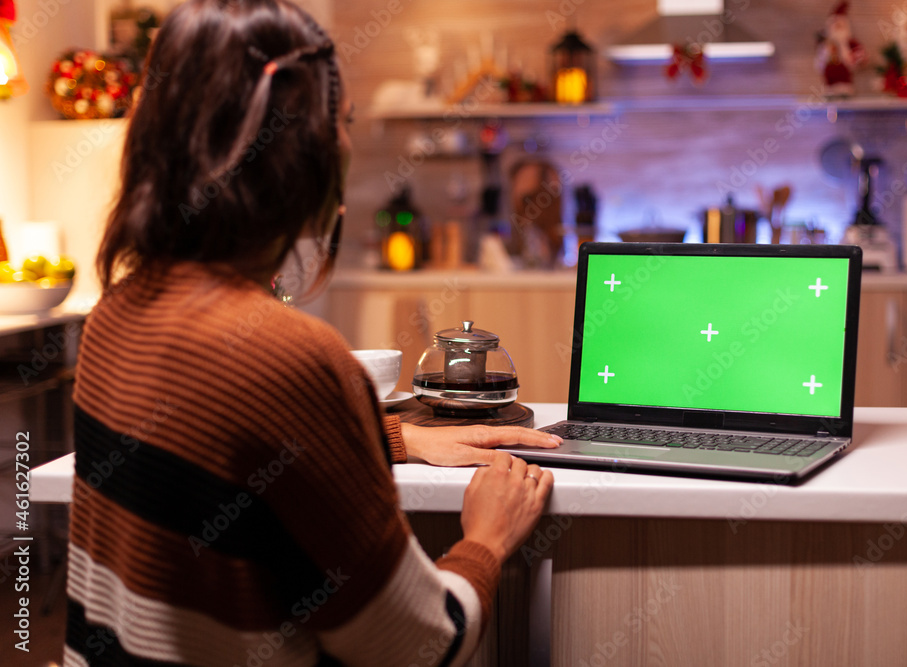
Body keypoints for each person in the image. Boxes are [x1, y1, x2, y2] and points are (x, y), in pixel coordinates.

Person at [65, 1, 557, 665]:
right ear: (297, 154)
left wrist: (387, 437)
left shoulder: (115, 316)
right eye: (344, 122)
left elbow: (222, 447)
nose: (348, 144)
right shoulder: (290, 357)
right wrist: (488, 539)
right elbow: (418, 645)